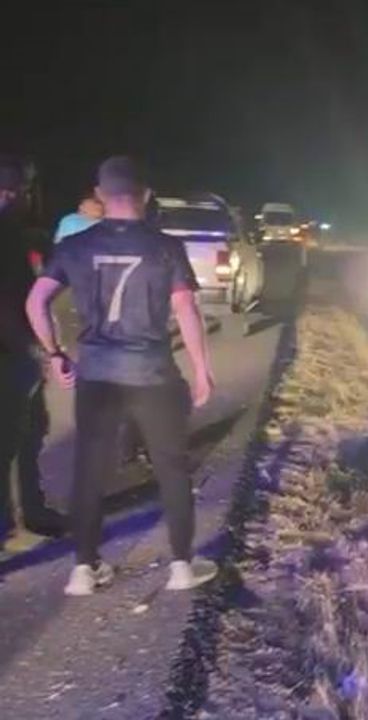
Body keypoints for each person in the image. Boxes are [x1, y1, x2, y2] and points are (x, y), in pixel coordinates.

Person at [25, 156, 217, 595]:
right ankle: (182, 567)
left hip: (97, 375)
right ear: (146, 194)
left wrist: (55, 352)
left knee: (89, 471)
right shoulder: (165, 246)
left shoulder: (74, 245)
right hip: (153, 374)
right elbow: (186, 308)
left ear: (100, 194)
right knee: (171, 467)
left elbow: (36, 302)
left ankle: (83, 569)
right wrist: (202, 370)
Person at [1, 155, 66, 548]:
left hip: (16, 348)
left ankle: (29, 512)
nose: (17, 197)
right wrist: (35, 348)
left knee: (30, 430)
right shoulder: (9, 232)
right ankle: (14, 521)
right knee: (13, 436)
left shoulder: (19, 232)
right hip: (11, 352)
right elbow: (8, 301)